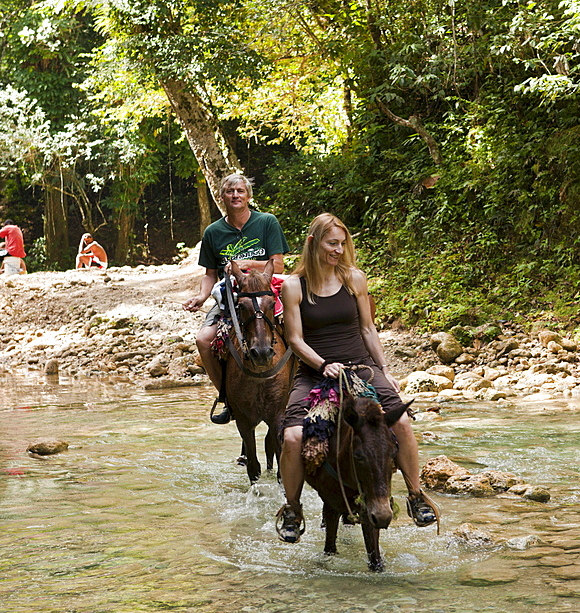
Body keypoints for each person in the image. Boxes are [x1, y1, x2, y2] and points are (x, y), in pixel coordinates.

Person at [276, 212, 438, 543]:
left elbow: (367, 328)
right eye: (331, 243)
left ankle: (415, 495)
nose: (338, 250)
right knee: (292, 437)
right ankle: (292, 509)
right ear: (313, 243)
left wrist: (385, 370)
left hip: (361, 367)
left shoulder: (354, 278)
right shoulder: (294, 286)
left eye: (343, 243)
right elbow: (295, 340)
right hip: (314, 372)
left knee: (403, 422)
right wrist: (322, 365)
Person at [183, 173, 290, 423]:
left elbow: (280, 265)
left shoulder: (267, 222)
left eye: (240, 191)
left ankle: (301, 391)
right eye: (230, 192)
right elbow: (210, 274)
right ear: (222, 198)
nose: (235, 196)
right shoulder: (213, 232)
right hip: (231, 299)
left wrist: (247, 263)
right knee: (203, 340)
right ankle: (227, 397)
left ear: (248, 196)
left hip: (267, 294)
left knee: (299, 331)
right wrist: (201, 296)